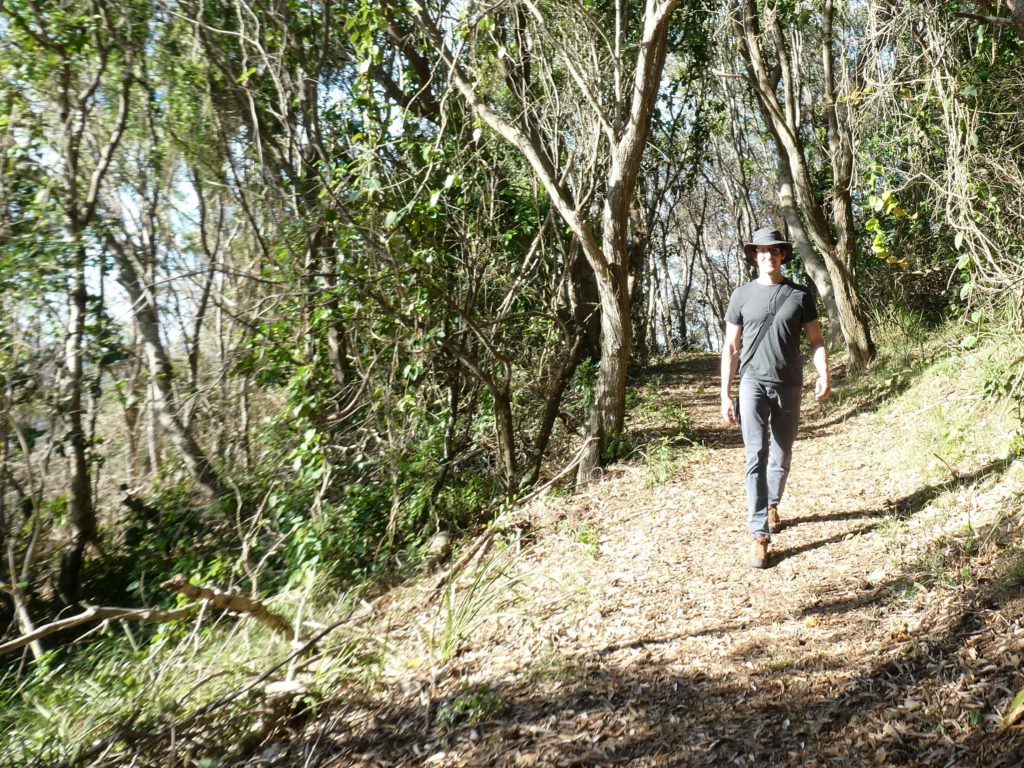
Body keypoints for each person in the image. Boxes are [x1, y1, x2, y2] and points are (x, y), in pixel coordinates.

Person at [720, 227, 831, 569]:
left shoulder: (799, 295)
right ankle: (759, 534)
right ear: (755, 256)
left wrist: (824, 374)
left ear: (783, 254)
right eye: (762, 251)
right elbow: (731, 347)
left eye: (774, 250)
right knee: (755, 453)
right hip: (752, 383)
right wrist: (725, 393)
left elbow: (816, 341)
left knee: (781, 454)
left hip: (789, 384)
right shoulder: (741, 295)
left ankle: (772, 502)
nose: (768, 256)